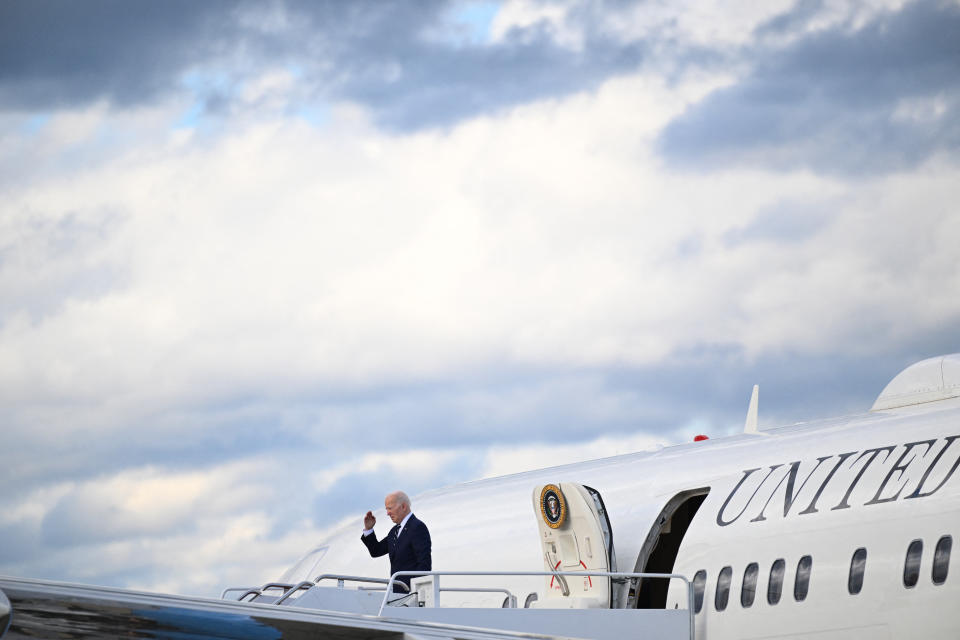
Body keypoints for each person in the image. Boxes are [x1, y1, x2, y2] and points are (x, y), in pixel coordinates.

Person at [361, 491, 432, 591]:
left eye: (390, 508)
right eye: (387, 509)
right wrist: (369, 530)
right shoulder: (394, 531)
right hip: (397, 593)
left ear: (403, 506)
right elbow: (376, 551)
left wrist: (414, 591)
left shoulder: (417, 527)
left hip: (410, 594)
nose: (388, 513)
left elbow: (424, 564)